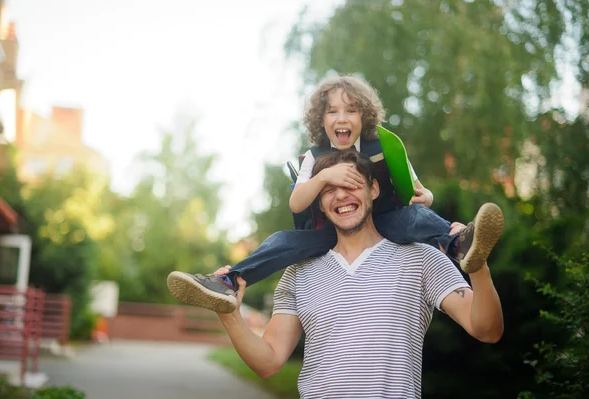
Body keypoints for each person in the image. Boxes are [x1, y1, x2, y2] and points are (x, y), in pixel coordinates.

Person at [167, 75, 504, 313]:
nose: (341, 118)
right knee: (281, 242)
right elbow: (296, 202)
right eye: (332, 111)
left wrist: (426, 197)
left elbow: (417, 191)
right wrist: (323, 175)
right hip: (328, 230)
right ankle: (228, 281)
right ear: (321, 119)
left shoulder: (384, 146)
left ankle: (458, 242)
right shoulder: (314, 158)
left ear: (364, 116)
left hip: (385, 220)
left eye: (350, 110)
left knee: (417, 217)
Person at [216, 150, 504, 399]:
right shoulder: (298, 274)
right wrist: (230, 316)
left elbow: (487, 330)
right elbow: (269, 363)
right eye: (329, 188)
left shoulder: (420, 258)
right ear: (318, 201)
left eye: (352, 184)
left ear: (374, 189)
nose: (341, 194)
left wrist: (476, 267)